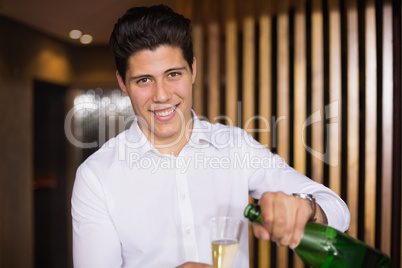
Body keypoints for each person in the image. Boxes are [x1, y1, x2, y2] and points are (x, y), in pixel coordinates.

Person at [71, 4, 350, 268]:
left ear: (193, 70)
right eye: (144, 80)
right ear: (123, 83)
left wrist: (306, 208)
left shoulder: (235, 146)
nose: (162, 95)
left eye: (172, 74)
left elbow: (338, 211)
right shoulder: (96, 176)